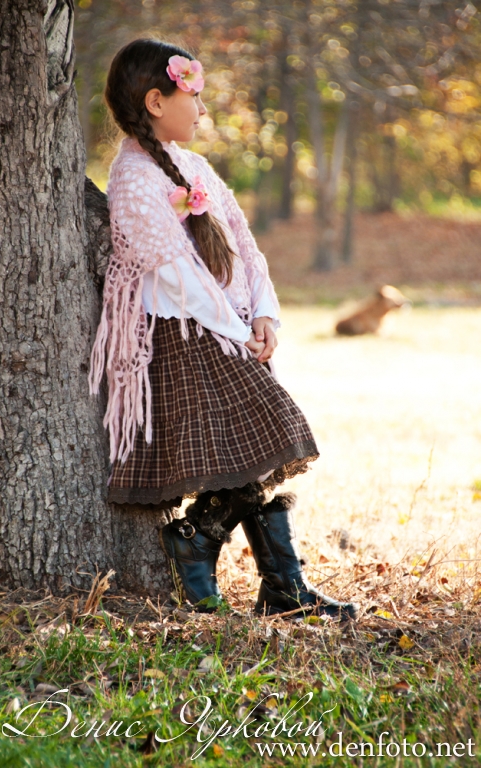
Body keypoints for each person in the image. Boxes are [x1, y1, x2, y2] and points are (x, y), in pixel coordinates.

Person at [89, 38, 357, 621]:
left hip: (227, 332)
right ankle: (262, 576)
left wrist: (263, 313)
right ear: (156, 101)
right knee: (260, 444)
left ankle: (241, 564)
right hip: (185, 339)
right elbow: (176, 277)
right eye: (195, 97)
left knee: (254, 450)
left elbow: (245, 247)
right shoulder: (133, 179)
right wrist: (237, 331)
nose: (203, 109)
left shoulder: (195, 166)